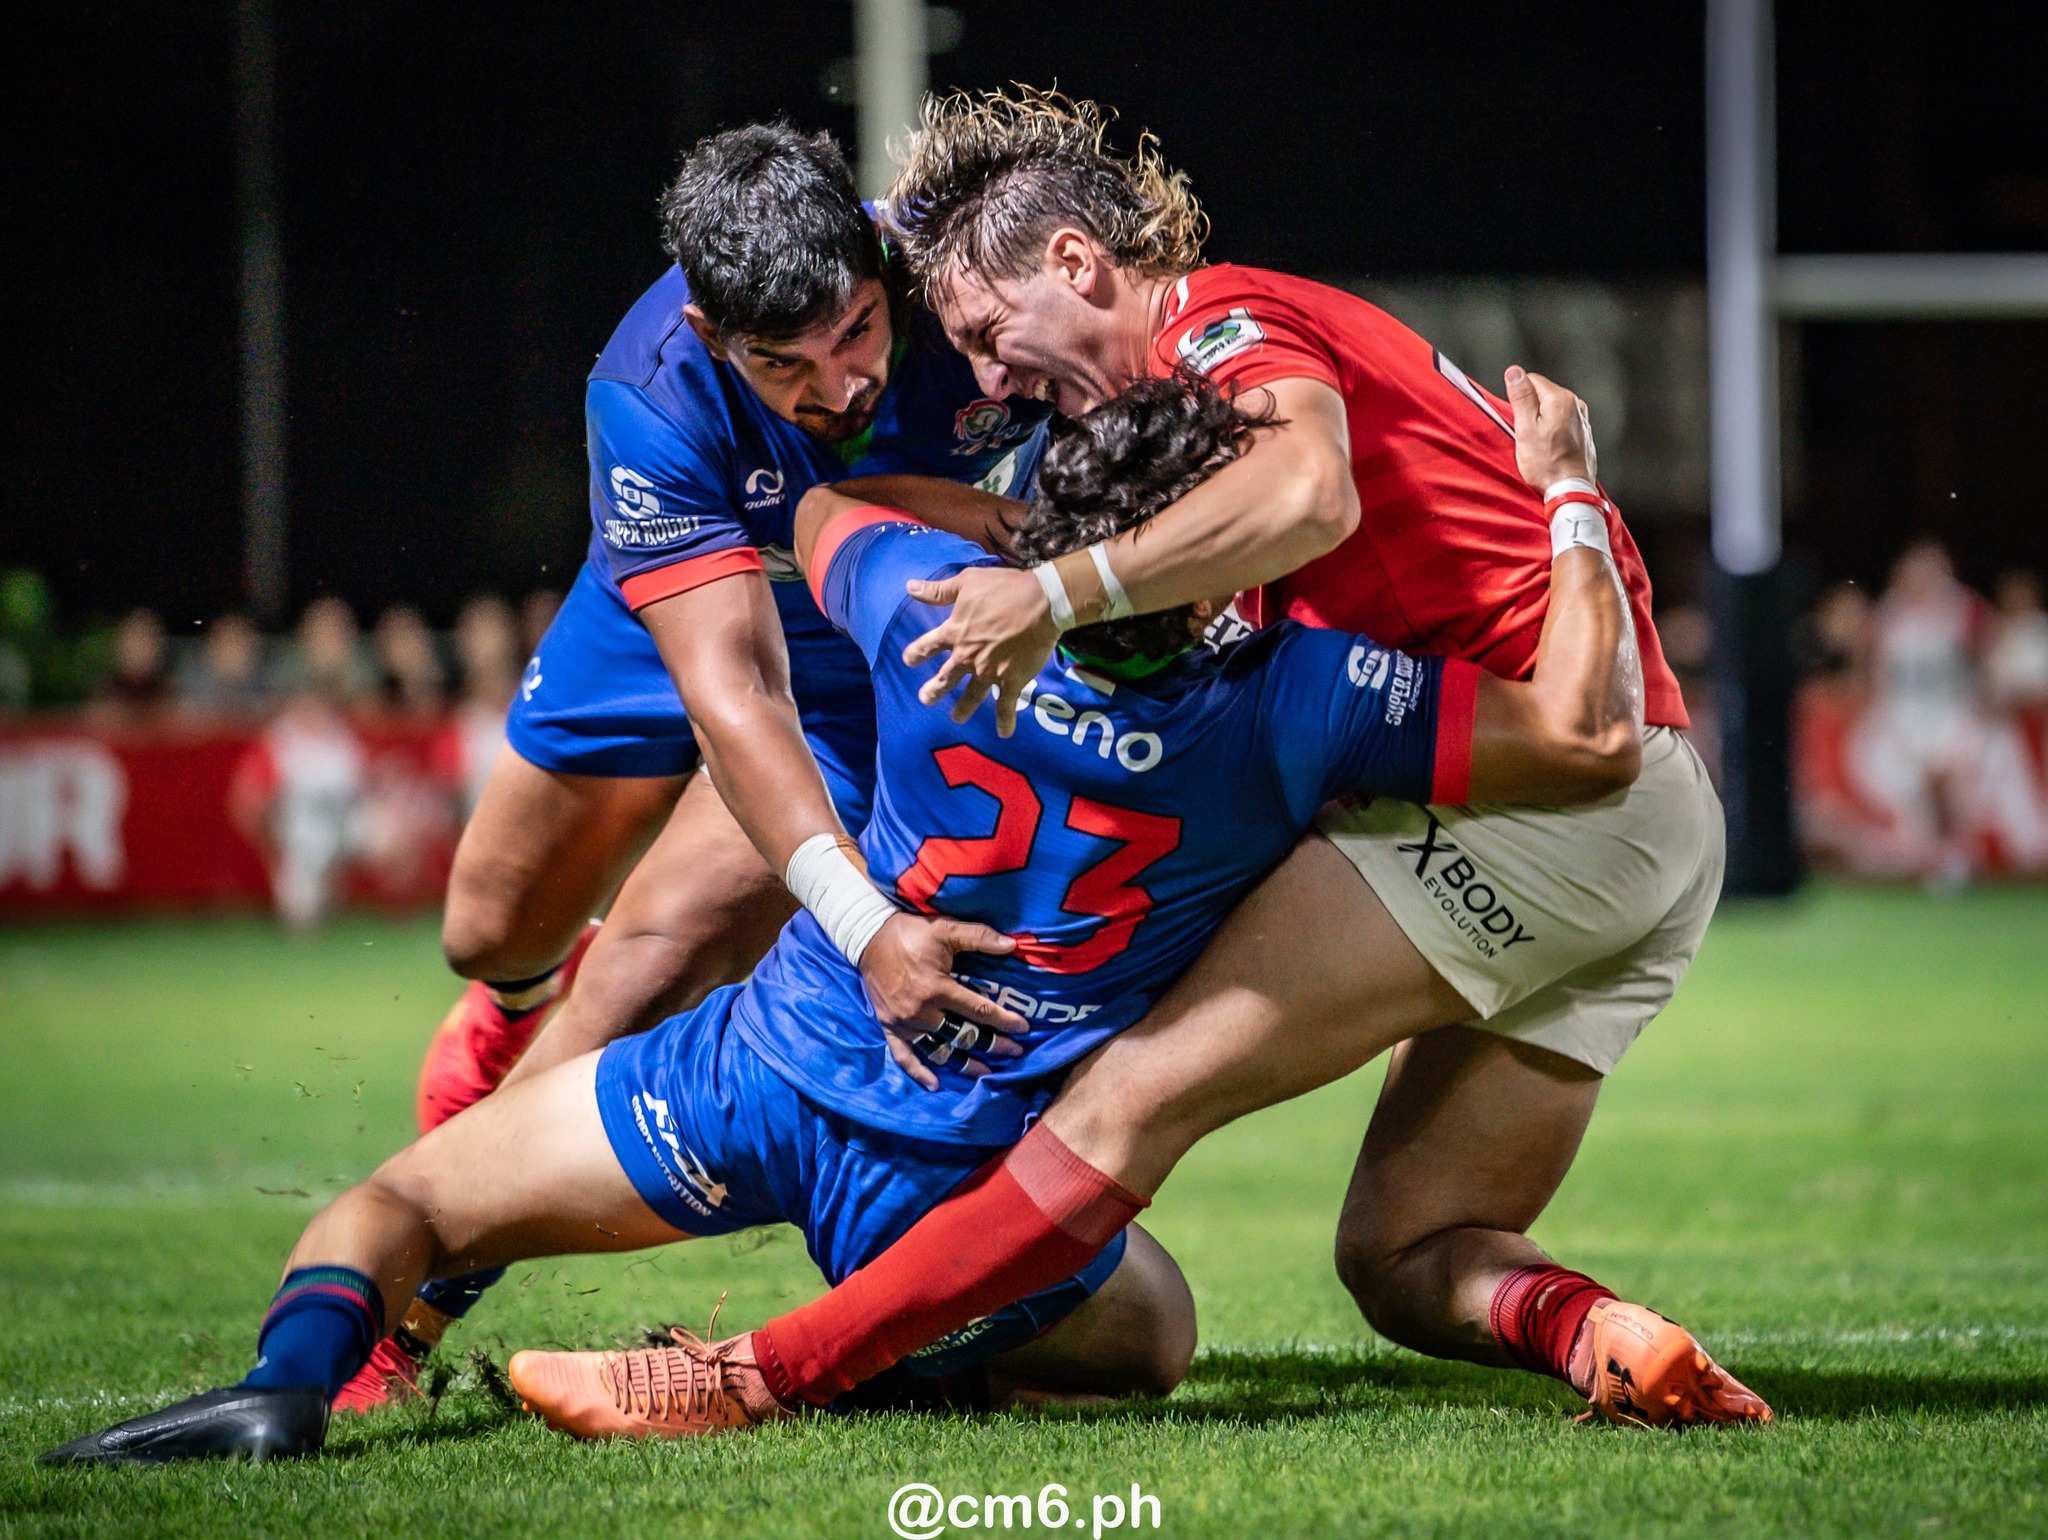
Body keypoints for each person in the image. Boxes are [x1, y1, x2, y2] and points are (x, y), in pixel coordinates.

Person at [41, 368, 1660, 1466]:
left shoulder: (928, 607)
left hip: (757, 1075)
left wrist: (1025, 553)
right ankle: (904, 1350)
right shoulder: (1297, 696)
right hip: (959, 1185)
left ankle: (279, 1391)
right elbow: (1588, 742)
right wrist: (1571, 502)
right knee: (1155, 1328)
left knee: (390, 1205)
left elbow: (823, 516)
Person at [640, 88, 1762, 1432]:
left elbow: (1309, 495)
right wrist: (1574, 494)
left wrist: (1055, 591)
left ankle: (762, 1375)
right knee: (1403, 1255)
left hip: (1540, 799)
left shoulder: (1219, 319)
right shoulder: (1175, 414)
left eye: (990, 338)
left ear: (1076, 262)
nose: (989, 384)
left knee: (1119, 1107)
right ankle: (1603, 1335)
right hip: (1655, 821)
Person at [348, 123, 1053, 1410]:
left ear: (877, 268)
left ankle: (402, 1321)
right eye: (782, 364)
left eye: (853, 334)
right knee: (485, 928)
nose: (835, 386)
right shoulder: (653, 388)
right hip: (681, 606)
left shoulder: (966, 281)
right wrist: (856, 916)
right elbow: (735, 698)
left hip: (851, 658)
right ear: (712, 330)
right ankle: (519, 1002)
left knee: (644, 970)